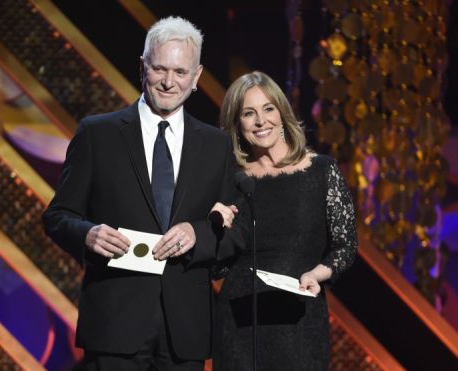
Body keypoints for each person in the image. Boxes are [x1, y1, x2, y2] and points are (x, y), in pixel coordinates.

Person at [42, 16, 237, 371]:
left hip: (186, 328)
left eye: (180, 72)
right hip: (115, 323)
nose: (168, 81)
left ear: (196, 77)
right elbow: (57, 216)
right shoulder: (97, 134)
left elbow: (232, 231)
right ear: (142, 67)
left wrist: (198, 234)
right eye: (159, 68)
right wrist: (88, 234)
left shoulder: (217, 146)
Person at [210, 71, 358, 370]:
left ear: (282, 112)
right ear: (237, 124)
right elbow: (217, 267)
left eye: (268, 109)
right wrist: (215, 227)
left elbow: (345, 245)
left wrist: (317, 274)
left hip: (299, 320)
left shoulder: (321, 171)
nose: (261, 121)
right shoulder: (230, 181)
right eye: (248, 114)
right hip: (240, 322)